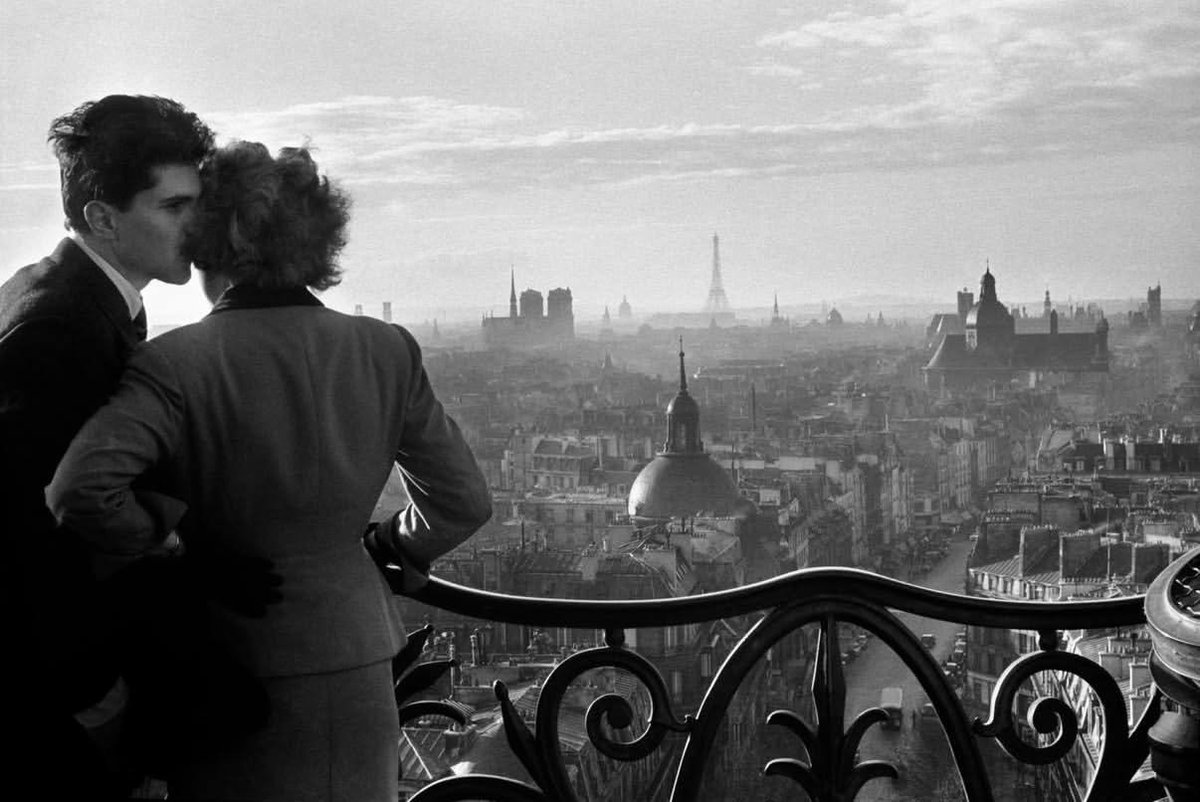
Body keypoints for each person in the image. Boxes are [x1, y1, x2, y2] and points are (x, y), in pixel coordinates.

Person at [48, 140, 493, 801]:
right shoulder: (384, 349)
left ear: (208, 241)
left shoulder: (176, 361)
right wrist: (389, 545)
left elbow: (80, 490)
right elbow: (463, 502)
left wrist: (170, 541)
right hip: (359, 653)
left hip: (232, 660)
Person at [0, 95, 217, 796]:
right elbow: (34, 534)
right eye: (174, 206)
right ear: (102, 217)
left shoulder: (61, 292)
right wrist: (101, 698)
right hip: (65, 690)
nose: (196, 225)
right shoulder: (58, 325)